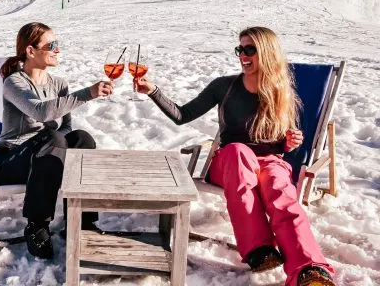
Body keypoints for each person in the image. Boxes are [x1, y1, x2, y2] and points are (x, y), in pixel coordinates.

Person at [134, 27, 335, 286]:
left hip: (269, 161)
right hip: (229, 162)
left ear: (267, 52)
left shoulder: (281, 92)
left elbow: (282, 142)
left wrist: (289, 141)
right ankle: (259, 250)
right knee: (239, 153)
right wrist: (153, 91)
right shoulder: (224, 86)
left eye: (249, 49)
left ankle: (309, 270)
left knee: (280, 191)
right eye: (240, 49)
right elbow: (182, 115)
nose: (243, 55)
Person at [0, 22, 113, 259]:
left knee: (82, 138)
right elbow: (41, 113)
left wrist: (68, 145)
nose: (58, 50)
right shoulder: (14, 82)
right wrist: (88, 93)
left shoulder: (59, 84)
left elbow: (65, 126)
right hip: (8, 160)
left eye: (58, 45)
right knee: (53, 137)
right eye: (52, 45)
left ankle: (82, 221)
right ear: (31, 51)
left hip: (44, 157)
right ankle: (37, 225)